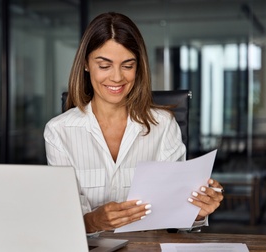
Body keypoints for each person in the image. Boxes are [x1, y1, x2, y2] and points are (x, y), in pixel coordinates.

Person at [44, 12, 223, 234]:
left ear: (138, 68)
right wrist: (93, 221)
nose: (117, 77)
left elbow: (174, 216)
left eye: (127, 66)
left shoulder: (163, 125)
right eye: (104, 65)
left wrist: (196, 212)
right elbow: (63, 220)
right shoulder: (58, 131)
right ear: (86, 65)